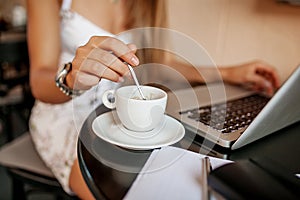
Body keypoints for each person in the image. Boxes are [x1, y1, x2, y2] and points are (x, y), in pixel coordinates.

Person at [26, 0, 280, 199]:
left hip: (119, 112)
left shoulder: (149, 2)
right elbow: (38, 81)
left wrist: (229, 73)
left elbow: (157, 65)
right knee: (115, 187)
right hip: (63, 112)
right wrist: (72, 78)